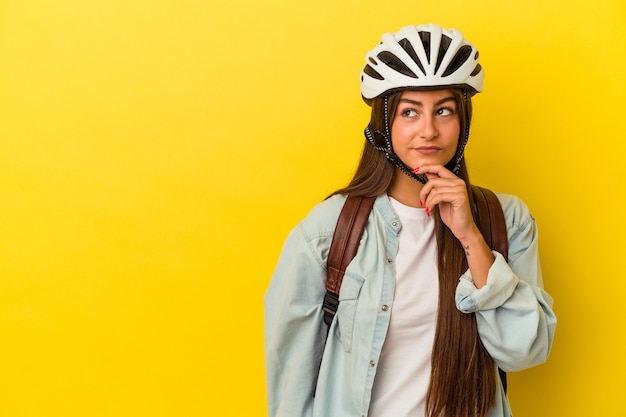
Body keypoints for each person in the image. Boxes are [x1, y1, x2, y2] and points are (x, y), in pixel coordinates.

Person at [264, 23, 556, 417]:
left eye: (444, 110)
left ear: (463, 121)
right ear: (385, 124)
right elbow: (291, 383)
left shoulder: (506, 220)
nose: (428, 130)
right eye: (409, 112)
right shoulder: (328, 232)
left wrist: (470, 237)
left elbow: (525, 350)